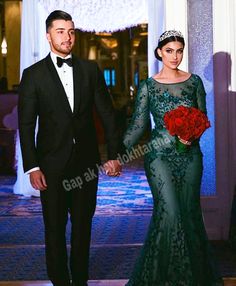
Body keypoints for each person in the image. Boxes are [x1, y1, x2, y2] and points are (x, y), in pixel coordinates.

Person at [18, 10, 121, 286]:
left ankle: (80, 282)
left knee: (83, 228)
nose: (67, 37)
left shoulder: (90, 70)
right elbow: (26, 125)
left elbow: (108, 114)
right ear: (48, 35)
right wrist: (33, 166)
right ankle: (60, 281)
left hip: (86, 164)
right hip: (50, 167)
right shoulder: (33, 75)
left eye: (71, 31)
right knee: (54, 230)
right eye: (61, 31)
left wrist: (113, 155)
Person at [123, 30, 223, 285]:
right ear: (159, 52)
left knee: (188, 213)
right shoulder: (148, 86)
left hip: (190, 157)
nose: (175, 56)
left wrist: (191, 136)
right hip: (158, 158)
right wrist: (118, 152)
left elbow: (202, 118)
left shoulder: (194, 82)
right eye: (169, 51)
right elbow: (138, 124)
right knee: (169, 212)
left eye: (179, 51)